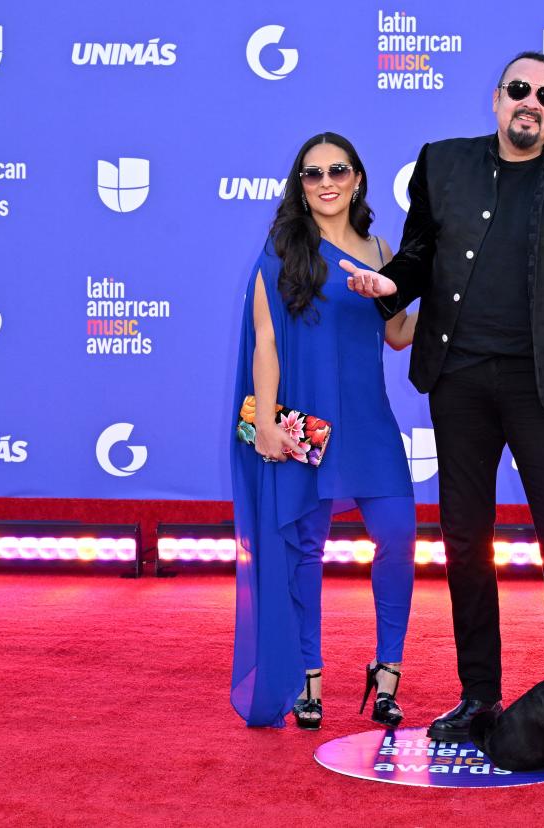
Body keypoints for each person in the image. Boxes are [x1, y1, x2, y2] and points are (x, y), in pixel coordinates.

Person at [341, 51, 544, 755]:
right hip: (459, 380)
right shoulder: (442, 163)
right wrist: (389, 286)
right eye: (520, 91)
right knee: (467, 540)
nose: (532, 104)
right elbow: (418, 253)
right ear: (496, 99)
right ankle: (478, 697)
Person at [230, 132, 417, 731]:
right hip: (307, 426)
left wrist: (436, 294)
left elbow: (398, 335)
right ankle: (309, 676)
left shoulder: (379, 248)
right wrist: (262, 421)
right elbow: (264, 341)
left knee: (398, 538)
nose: (326, 181)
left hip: (370, 423)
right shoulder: (284, 247)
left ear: (358, 178)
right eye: (313, 174)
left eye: (338, 170)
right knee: (305, 551)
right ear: (300, 185)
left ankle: (387, 673)